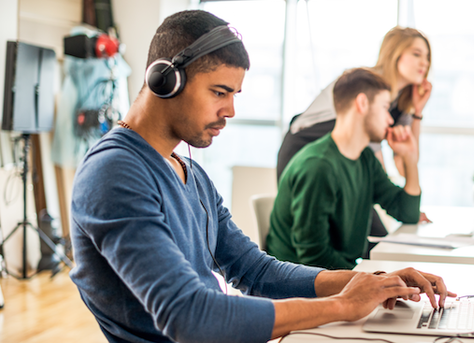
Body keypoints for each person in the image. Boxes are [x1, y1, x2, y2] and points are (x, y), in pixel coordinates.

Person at [69, 10, 454, 343]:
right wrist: (343, 306)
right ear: (167, 80)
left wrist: (374, 281)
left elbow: (256, 271)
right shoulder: (114, 173)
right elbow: (190, 318)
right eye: (220, 92)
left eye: (235, 94)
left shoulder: (191, 173)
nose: (231, 110)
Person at [277, 26, 433, 248]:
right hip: (307, 148)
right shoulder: (368, 86)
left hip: (347, 157)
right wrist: (391, 198)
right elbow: (369, 150)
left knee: (371, 239)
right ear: (395, 54)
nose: (424, 63)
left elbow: (403, 163)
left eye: (427, 57)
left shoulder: (399, 100)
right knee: (355, 235)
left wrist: (417, 111)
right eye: (416, 54)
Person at [266, 68, 422, 270]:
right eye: (385, 107)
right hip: (300, 287)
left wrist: (410, 159)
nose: (390, 120)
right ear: (362, 103)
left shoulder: (364, 159)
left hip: (334, 279)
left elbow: (406, 212)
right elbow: (314, 257)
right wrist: (368, 281)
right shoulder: (318, 166)